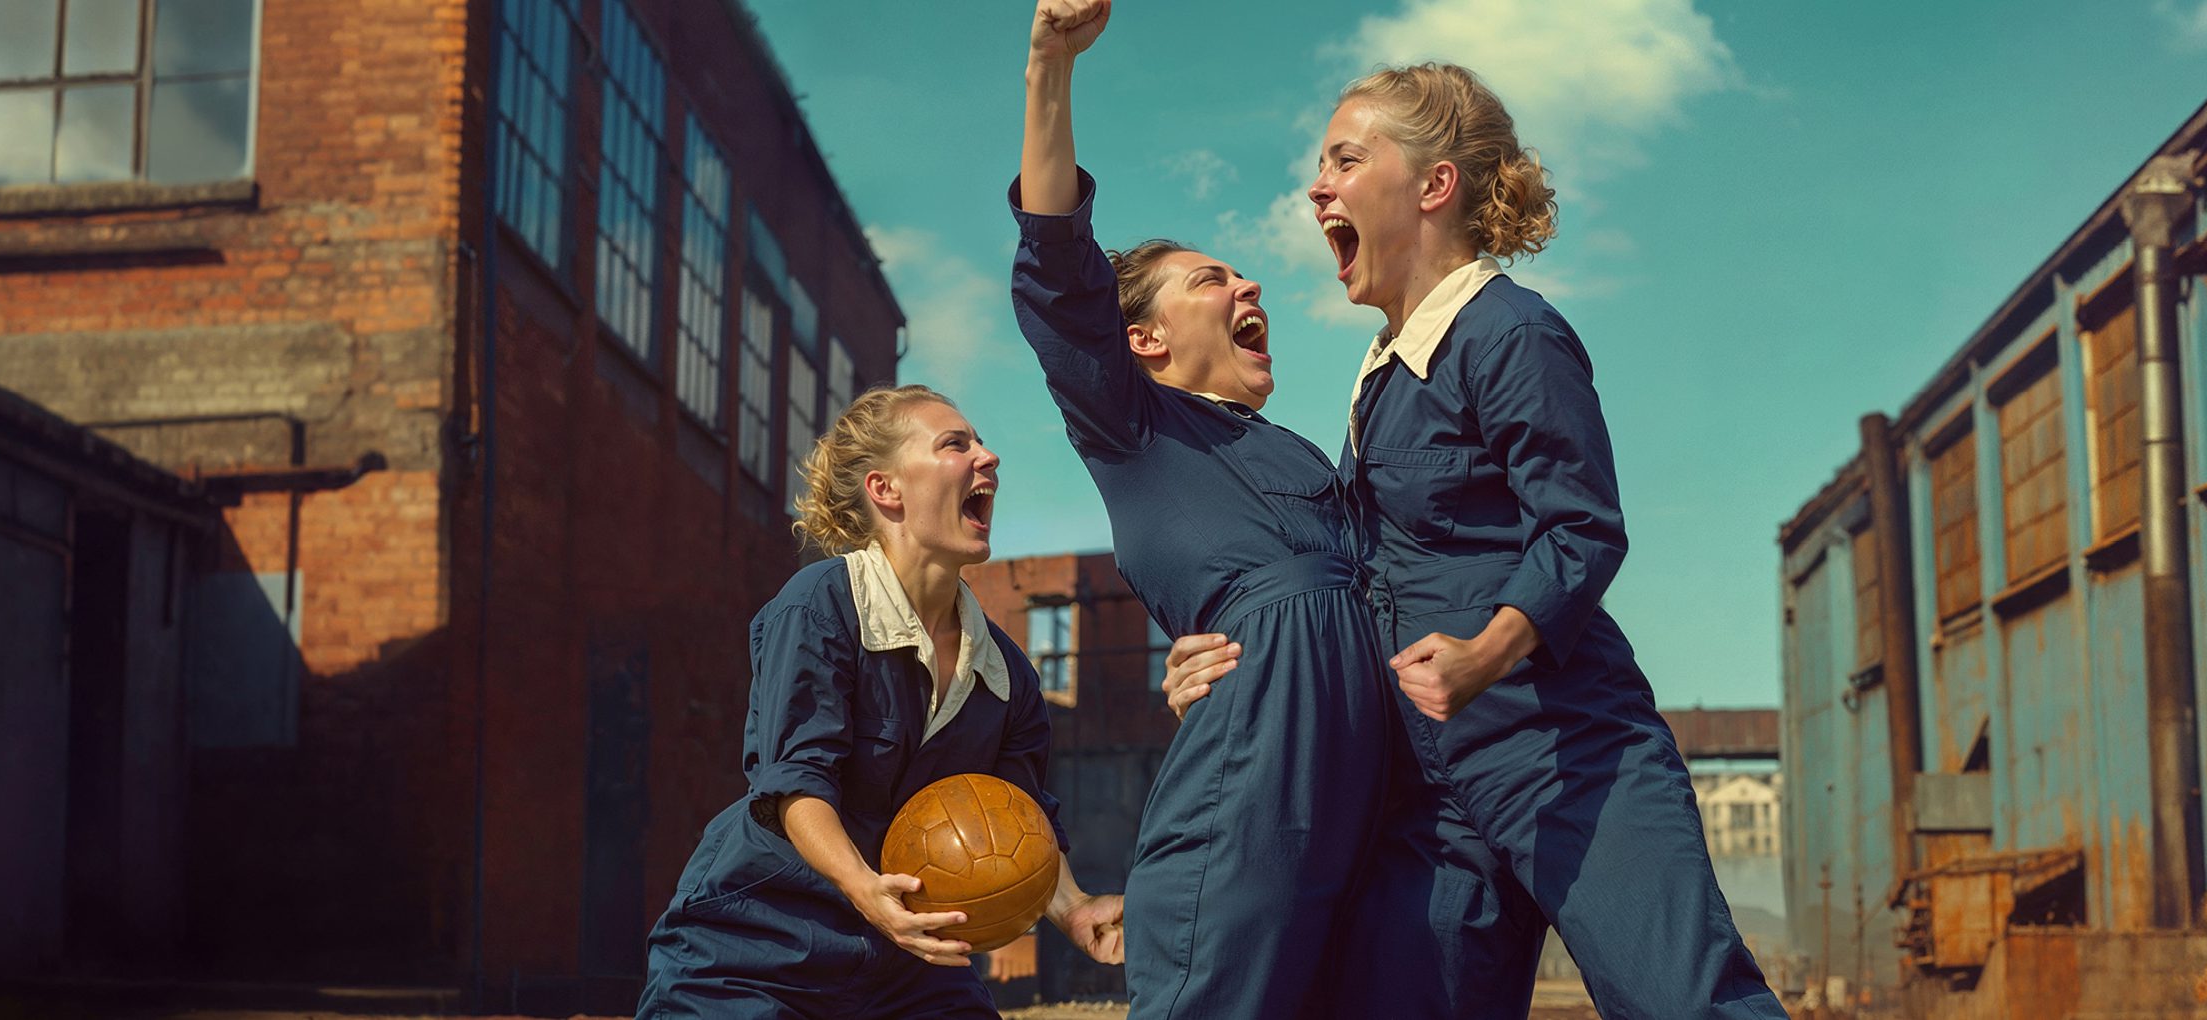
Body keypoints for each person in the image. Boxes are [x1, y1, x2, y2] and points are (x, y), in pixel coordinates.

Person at [1167, 64, 1788, 1018]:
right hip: (1435, 792)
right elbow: (1341, 578)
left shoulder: (1508, 332)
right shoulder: (1382, 377)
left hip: (1566, 752)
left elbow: (1582, 531)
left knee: (1687, 1004)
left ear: (1432, 184)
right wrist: (1218, 670)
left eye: (1345, 158)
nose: (1316, 185)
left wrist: (1484, 653)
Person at [1010, 2, 1394, 1017]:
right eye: (1210, 278)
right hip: (1253, 777)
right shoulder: (1132, 424)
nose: (1249, 280)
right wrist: (1050, 63)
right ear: (1140, 338)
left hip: (1369, 785)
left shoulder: (1311, 454)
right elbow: (1056, 259)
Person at [637, 385, 1124, 1020]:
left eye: (980, 441)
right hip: (757, 946)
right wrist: (866, 889)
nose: (990, 456)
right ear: (886, 489)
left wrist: (1073, 907)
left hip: (909, 968)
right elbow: (795, 783)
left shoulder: (1009, 676)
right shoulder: (819, 605)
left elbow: (1016, 820)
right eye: (956, 443)